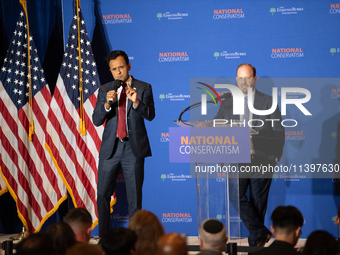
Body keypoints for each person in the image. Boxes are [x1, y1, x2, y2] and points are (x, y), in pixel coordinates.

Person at [214, 63, 285, 246]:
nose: (243, 82)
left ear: (254, 79)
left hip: (262, 159)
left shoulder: (268, 101)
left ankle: (256, 245)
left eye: (246, 78)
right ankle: (260, 232)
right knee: (235, 196)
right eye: (239, 78)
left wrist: (276, 155)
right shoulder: (227, 101)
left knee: (258, 203)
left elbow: (279, 131)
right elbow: (216, 125)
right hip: (236, 159)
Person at [92, 50, 155, 237]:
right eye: (113, 69)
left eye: (121, 67)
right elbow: (96, 120)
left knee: (134, 198)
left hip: (133, 149)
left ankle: (135, 240)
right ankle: (103, 238)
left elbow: (150, 115)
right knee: (102, 194)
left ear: (128, 66)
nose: (118, 72)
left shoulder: (143, 88)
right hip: (110, 150)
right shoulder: (105, 90)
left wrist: (136, 102)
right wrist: (106, 105)